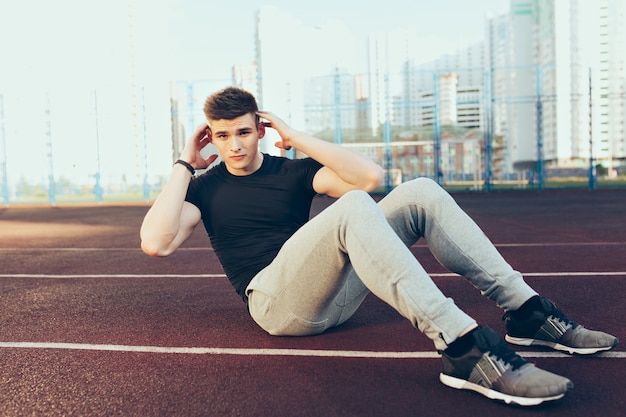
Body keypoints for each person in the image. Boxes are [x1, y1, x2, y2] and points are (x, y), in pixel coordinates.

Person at [140, 86, 618, 407]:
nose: (233, 145)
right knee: (351, 206)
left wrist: (298, 138)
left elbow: (371, 179)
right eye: (222, 137)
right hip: (275, 305)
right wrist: (186, 160)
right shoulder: (204, 188)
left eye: (243, 132)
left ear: (261, 129)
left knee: (420, 192)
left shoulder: (295, 171)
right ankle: (464, 348)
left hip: (331, 296)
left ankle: (527, 312)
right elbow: (156, 243)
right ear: (211, 139)